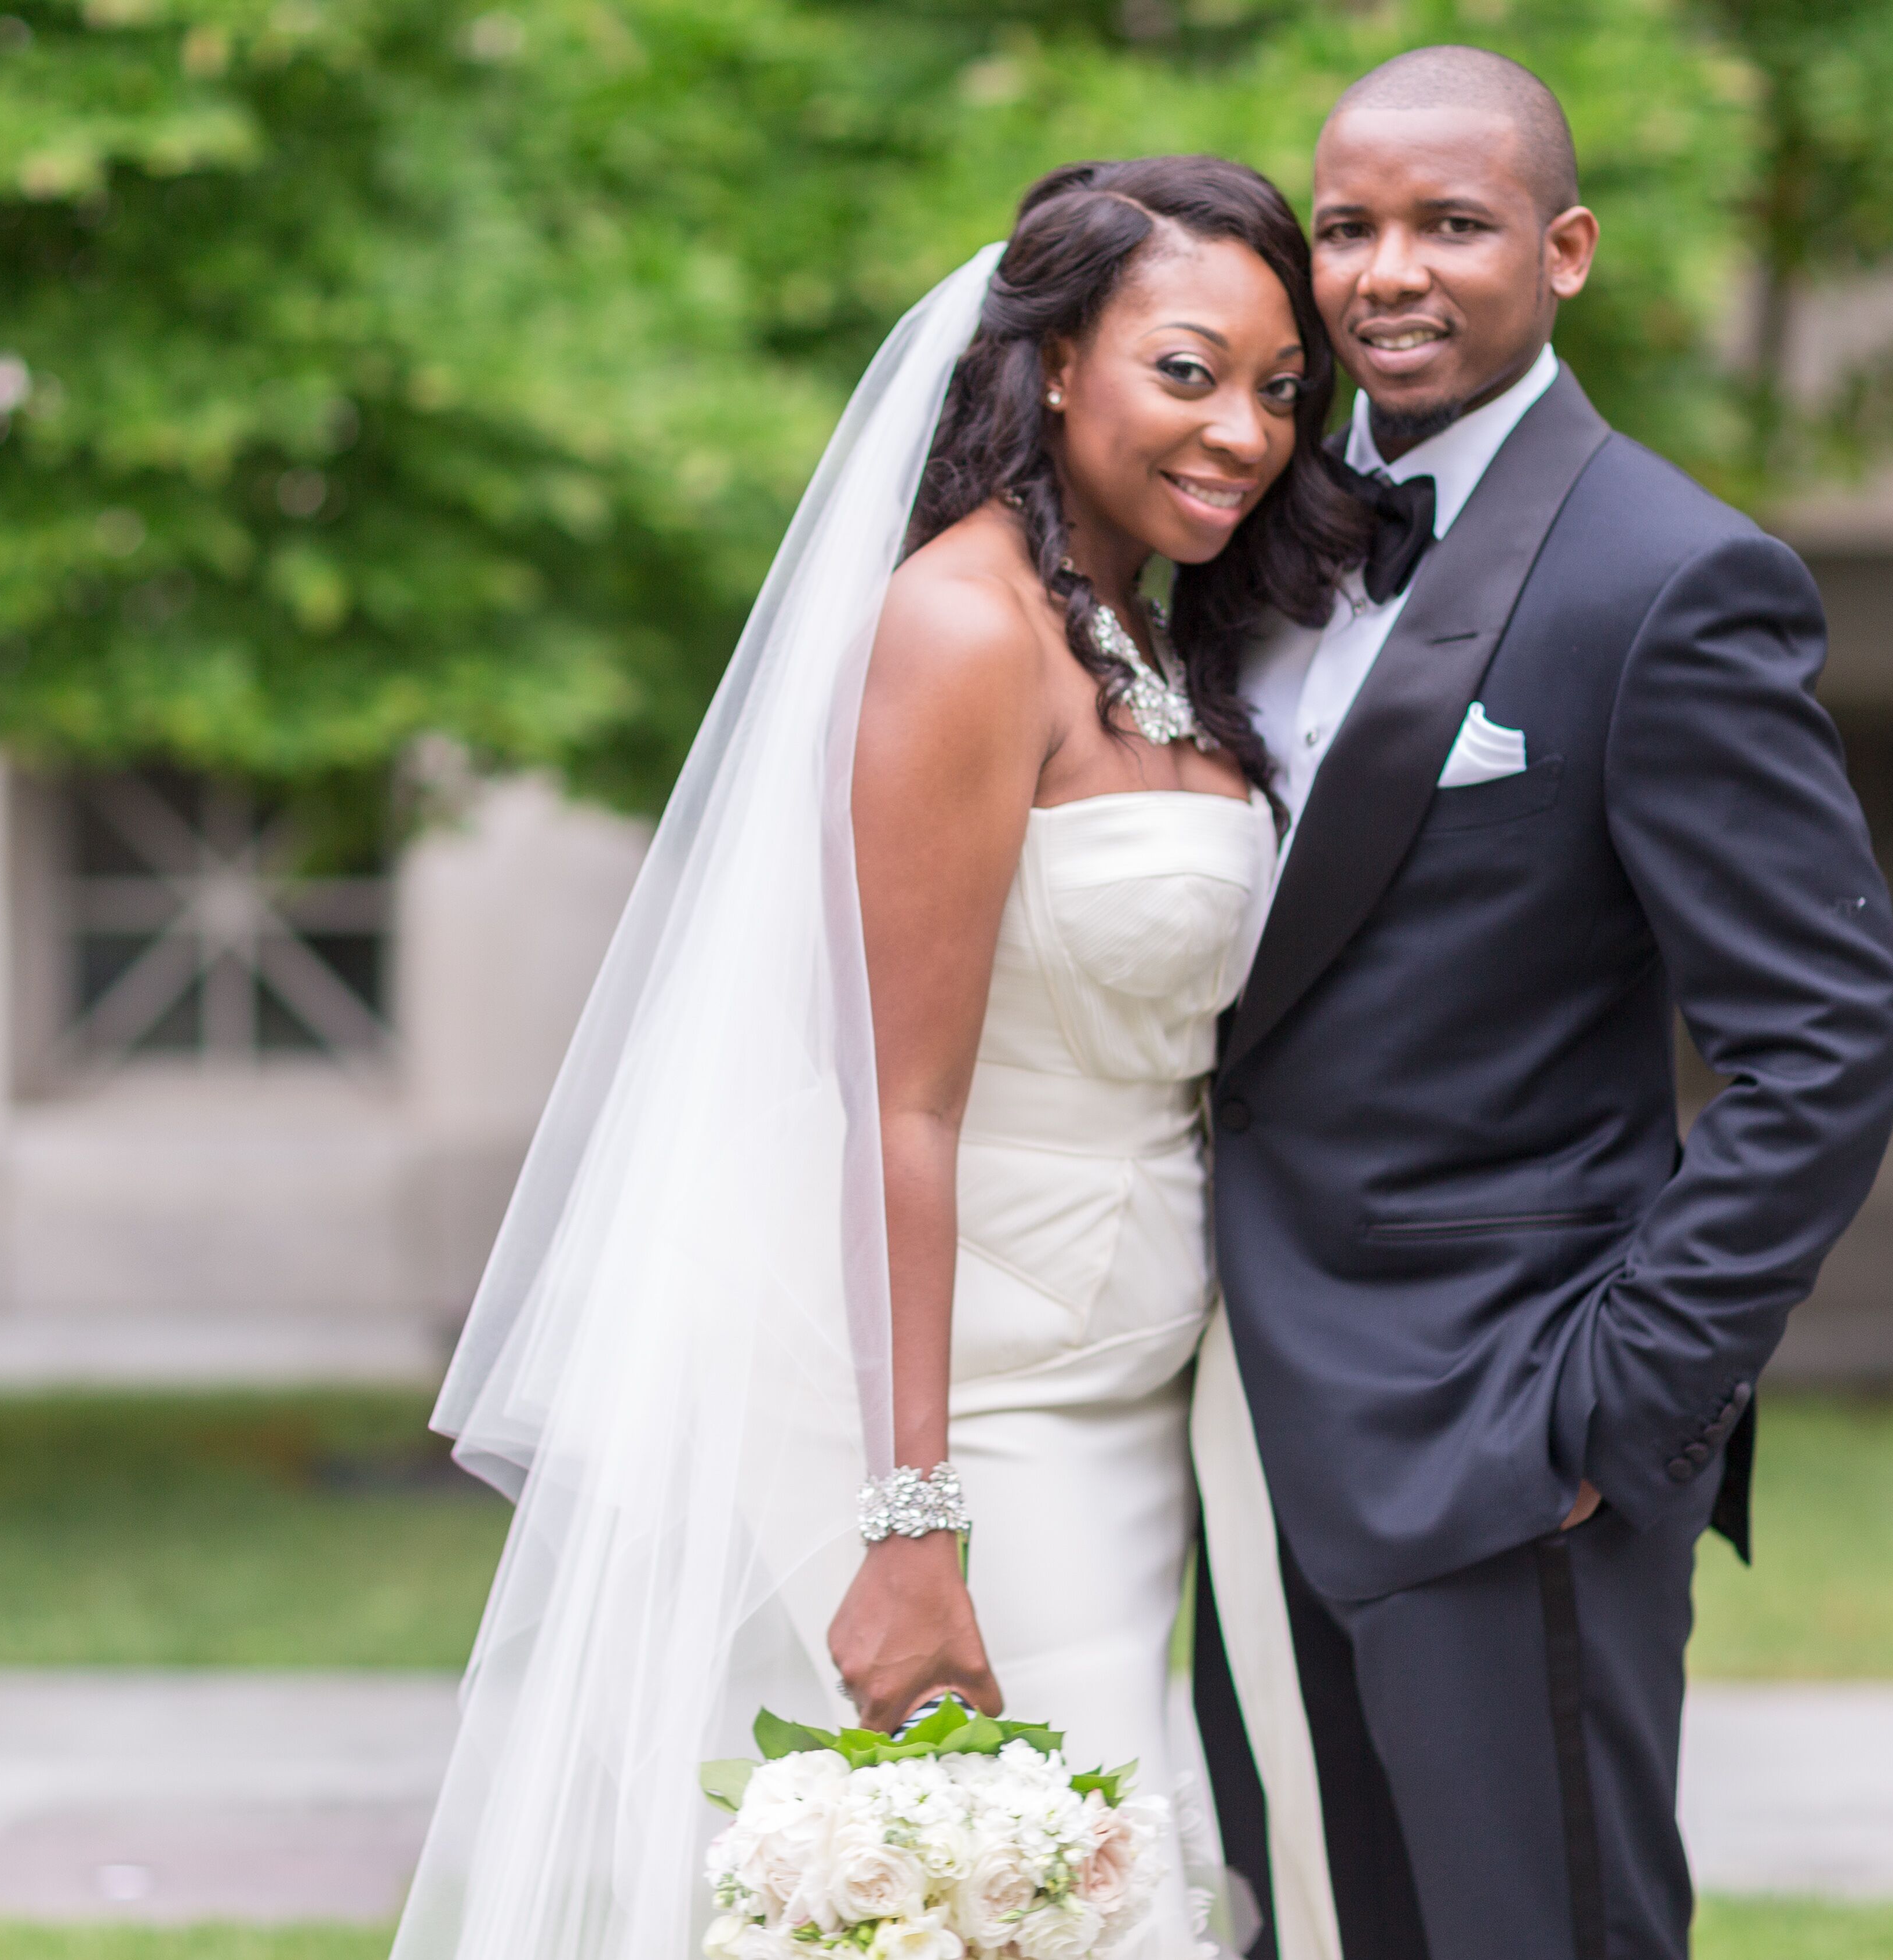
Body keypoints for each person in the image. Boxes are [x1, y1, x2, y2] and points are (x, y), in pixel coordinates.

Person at [393, 156, 1362, 1960]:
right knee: (1070, 1892)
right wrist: (910, 1517)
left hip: (1142, 1367)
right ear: (1057, 359)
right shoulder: (962, 624)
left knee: (1106, 1872)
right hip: (973, 1397)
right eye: (1188, 370)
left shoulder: (1148, 630)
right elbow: (893, 1100)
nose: (1244, 428)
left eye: (1281, 386)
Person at [1191, 46, 1893, 1960]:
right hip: (1220, 1417)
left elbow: (1827, 1043)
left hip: (1506, 1437)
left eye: (1453, 223)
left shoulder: (1672, 579)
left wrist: (1620, 1408)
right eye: (1347, 228)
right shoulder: (1244, 539)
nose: (1388, 272)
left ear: (1567, 249)